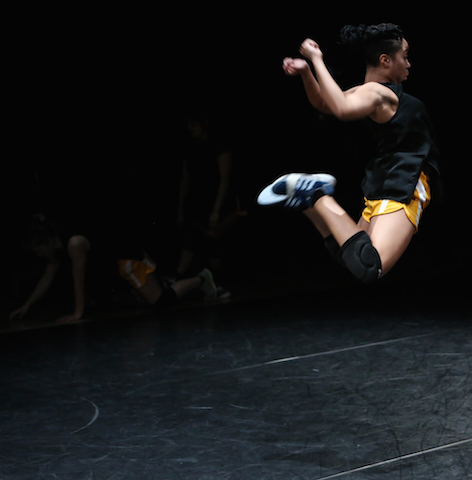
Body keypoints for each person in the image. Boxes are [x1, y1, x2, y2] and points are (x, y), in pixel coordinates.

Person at [259, 23, 442, 283]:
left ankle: (311, 202)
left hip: (385, 179)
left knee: (354, 258)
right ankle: (316, 195)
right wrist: (316, 60)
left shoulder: (365, 92)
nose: (409, 63)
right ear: (385, 60)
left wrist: (307, 74)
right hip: (405, 180)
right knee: (371, 267)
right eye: (405, 56)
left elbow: (326, 103)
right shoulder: (381, 93)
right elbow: (341, 109)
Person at [9, 215, 217, 323]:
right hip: (112, 266)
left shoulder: (73, 243)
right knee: (106, 299)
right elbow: (48, 274)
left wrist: (77, 312)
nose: (39, 255)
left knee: (160, 301)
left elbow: (78, 277)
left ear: (46, 242)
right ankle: (148, 288)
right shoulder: (57, 247)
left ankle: (202, 279)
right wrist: (28, 304)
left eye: (38, 250)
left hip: (126, 257)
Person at [176, 113, 245, 297]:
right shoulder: (189, 148)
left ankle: (182, 279)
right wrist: (181, 210)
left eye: (193, 123)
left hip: (222, 204)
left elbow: (225, 179)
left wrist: (216, 210)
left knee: (208, 239)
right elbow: (185, 179)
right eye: (188, 124)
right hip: (198, 205)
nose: (190, 128)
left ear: (204, 123)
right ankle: (213, 284)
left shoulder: (219, 145)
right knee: (203, 242)